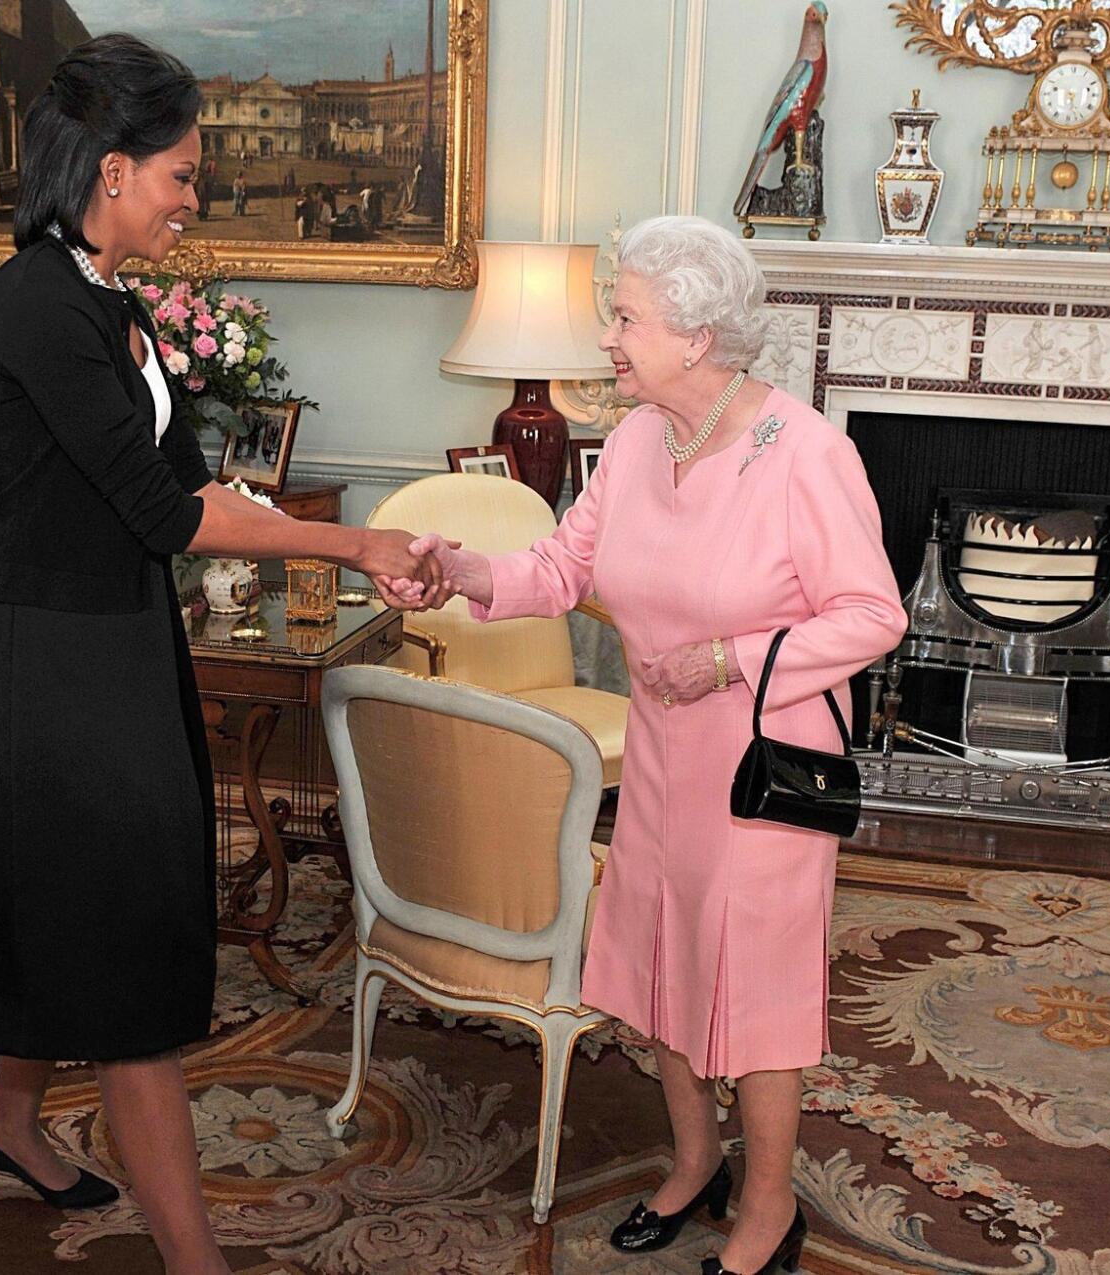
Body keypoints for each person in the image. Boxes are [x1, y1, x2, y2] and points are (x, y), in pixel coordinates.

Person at [0, 34, 435, 1275]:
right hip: (46, 658)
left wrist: (288, 527)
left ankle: (7, 1119)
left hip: (110, 638)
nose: (191, 198)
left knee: (76, 906)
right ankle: (193, 1260)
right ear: (112, 170)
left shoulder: (104, 297)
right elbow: (166, 515)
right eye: (182, 175)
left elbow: (165, 479)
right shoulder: (39, 304)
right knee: (117, 945)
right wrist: (357, 546)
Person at [405, 214, 906, 1275]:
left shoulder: (805, 454)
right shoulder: (634, 441)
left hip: (762, 769)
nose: (607, 339)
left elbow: (871, 615)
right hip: (663, 760)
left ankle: (767, 1205)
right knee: (667, 967)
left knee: (757, 997)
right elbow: (561, 567)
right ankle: (691, 1163)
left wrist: (727, 660)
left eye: (624, 317)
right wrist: (463, 569)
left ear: (694, 334)